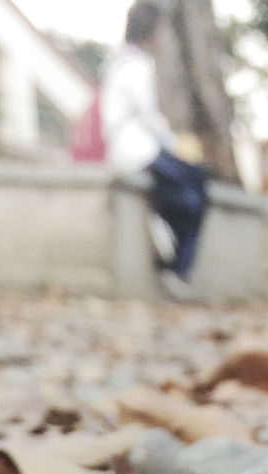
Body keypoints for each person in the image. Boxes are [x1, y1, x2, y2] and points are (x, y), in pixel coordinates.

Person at [101, 1, 209, 298]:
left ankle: (167, 238)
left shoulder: (118, 62)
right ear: (151, 32)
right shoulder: (135, 65)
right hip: (140, 151)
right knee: (197, 182)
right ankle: (179, 267)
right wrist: (173, 143)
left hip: (136, 149)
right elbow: (147, 115)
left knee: (190, 188)